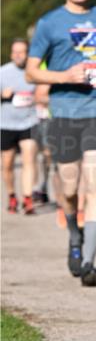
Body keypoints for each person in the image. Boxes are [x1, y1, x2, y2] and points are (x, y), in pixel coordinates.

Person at [26, 0, 96, 286]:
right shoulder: (49, 23)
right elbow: (31, 70)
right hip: (64, 112)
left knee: (94, 185)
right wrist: (64, 76)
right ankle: (73, 230)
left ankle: (90, 264)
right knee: (68, 189)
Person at [1, 38, 39, 214]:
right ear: (11, 54)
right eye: (15, 52)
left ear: (27, 54)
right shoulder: (3, 72)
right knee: (7, 164)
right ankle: (12, 196)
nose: (18, 55)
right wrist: (2, 95)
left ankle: (28, 198)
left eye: (22, 52)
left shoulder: (33, 73)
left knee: (29, 159)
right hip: (6, 124)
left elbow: (42, 93)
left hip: (29, 122)